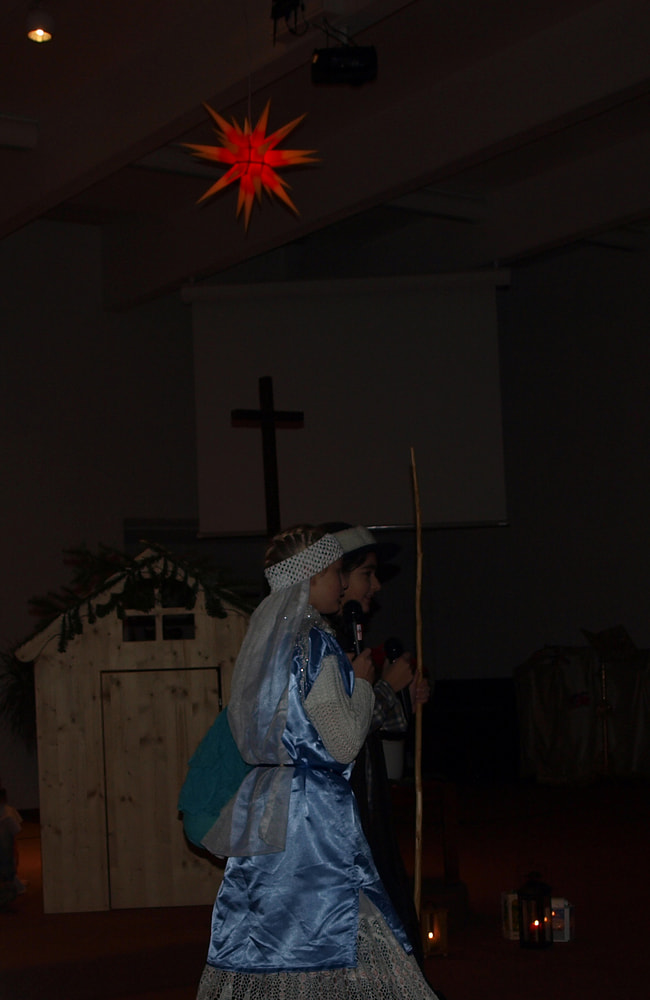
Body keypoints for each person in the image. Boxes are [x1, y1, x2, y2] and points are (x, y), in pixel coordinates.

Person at [192, 524, 440, 1000]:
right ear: (309, 577)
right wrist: (363, 683)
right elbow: (343, 742)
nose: (343, 584)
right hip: (310, 814)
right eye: (336, 573)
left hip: (270, 804)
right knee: (329, 926)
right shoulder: (315, 642)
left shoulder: (270, 645)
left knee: (273, 935)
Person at [330, 524, 430, 971]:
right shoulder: (319, 642)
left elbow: (368, 723)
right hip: (340, 814)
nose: (377, 586)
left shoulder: (347, 637)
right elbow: (333, 732)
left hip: (365, 801)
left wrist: (402, 697)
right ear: (337, 574)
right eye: (367, 574)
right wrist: (386, 692)